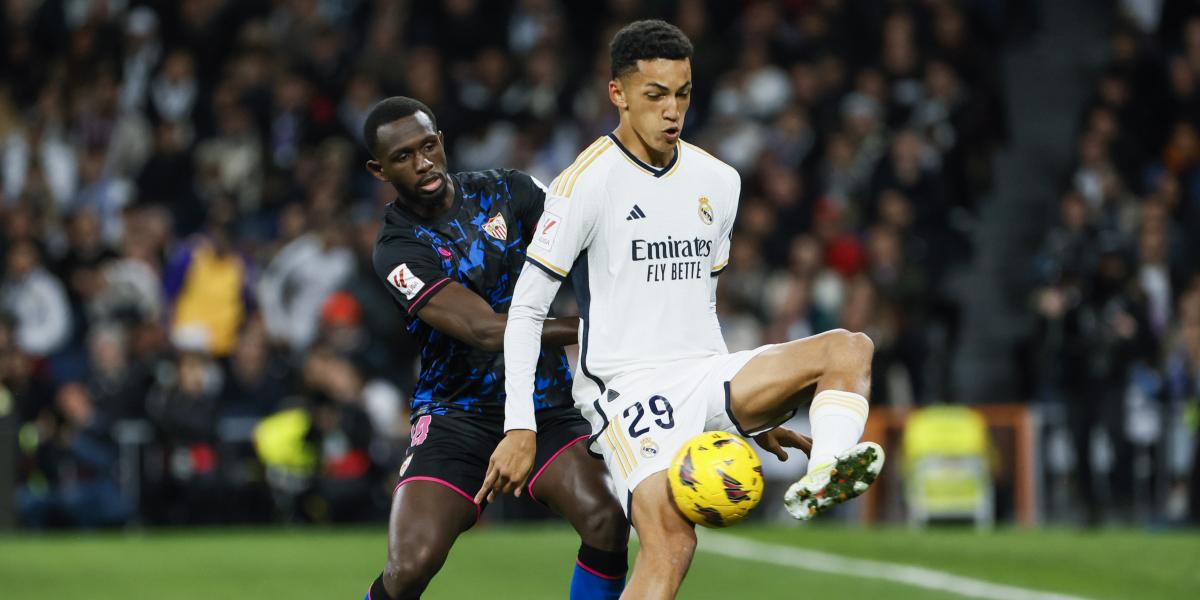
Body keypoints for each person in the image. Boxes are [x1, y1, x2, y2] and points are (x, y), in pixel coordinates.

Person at [496, 20, 884, 599]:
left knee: (850, 347)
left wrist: (744, 406)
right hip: (627, 390)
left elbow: (702, 303)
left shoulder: (718, 181)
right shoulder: (583, 184)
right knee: (673, 545)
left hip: (704, 371)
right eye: (655, 96)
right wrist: (519, 424)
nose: (672, 110)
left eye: (683, 93)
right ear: (618, 94)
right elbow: (526, 311)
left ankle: (825, 471)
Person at [361, 97, 629, 600]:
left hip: (543, 403)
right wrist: (597, 325)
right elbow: (484, 331)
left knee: (605, 519)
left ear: (441, 140)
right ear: (379, 170)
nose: (422, 163)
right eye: (403, 157)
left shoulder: (512, 190)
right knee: (410, 567)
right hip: (456, 416)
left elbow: (593, 243)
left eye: (428, 145)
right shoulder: (397, 249)